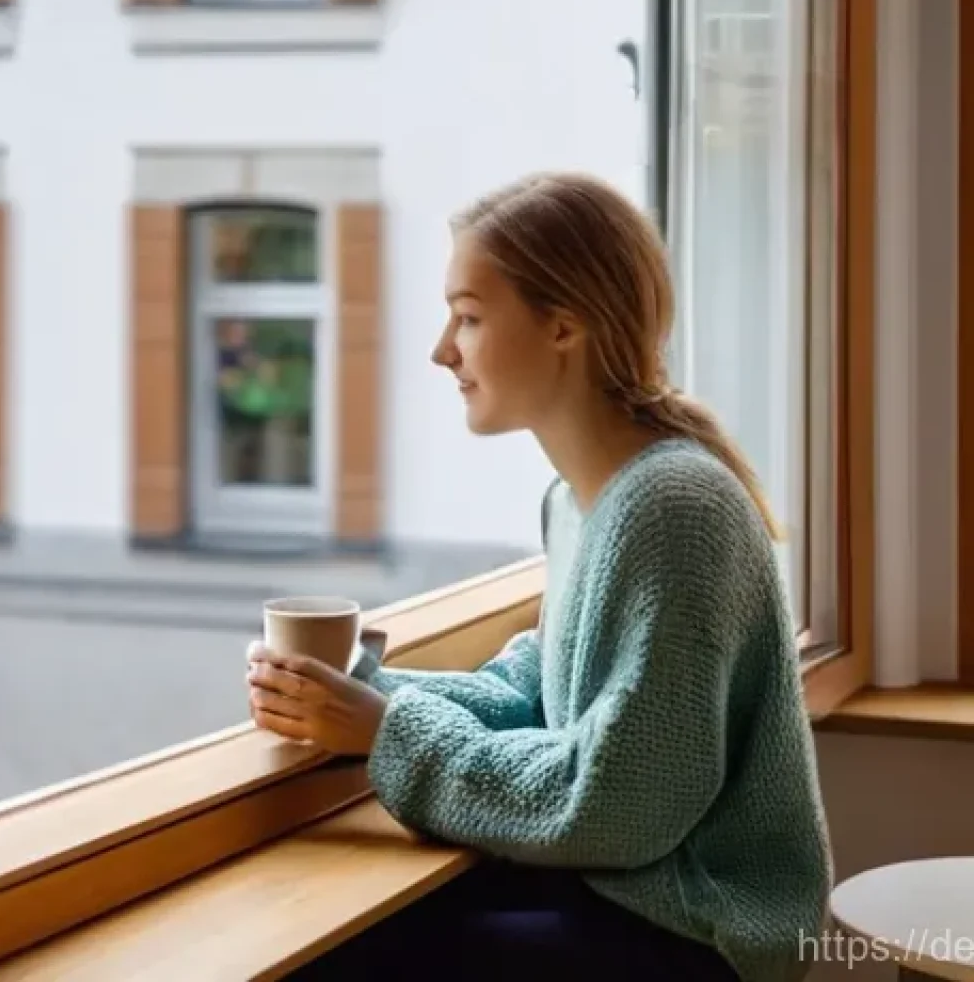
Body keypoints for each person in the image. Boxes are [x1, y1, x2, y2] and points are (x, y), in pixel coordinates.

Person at [246, 172, 833, 982]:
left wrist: (384, 731)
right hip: (620, 891)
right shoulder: (578, 500)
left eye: (470, 316)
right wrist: (362, 692)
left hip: (699, 929)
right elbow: (541, 691)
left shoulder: (672, 506)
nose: (442, 349)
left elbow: (620, 806)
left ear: (563, 326)